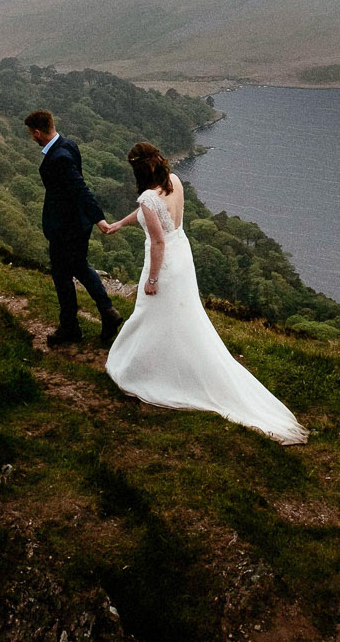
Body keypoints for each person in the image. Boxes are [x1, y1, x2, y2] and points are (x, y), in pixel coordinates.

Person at [99, 142, 307, 445]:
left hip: (164, 262)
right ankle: (164, 362)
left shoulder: (146, 197)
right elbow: (150, 213)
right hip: (182, 254)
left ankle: (144, 370)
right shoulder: (173, 182)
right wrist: (121, 223)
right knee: (179, 316)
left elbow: (157, 240)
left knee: (150, 312)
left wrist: (153, 279)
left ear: (138, 169)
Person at [24, 109, 123, 347]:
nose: (31, 137)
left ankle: (70, 328)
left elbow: (80, 187)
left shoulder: (59, 157)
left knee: (61, 276)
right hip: (78, 224)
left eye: (31, 133)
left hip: (64, 227)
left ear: (38, 132)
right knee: (79, 266)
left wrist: (99, 217)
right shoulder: (69, 144)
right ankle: (107, 311)